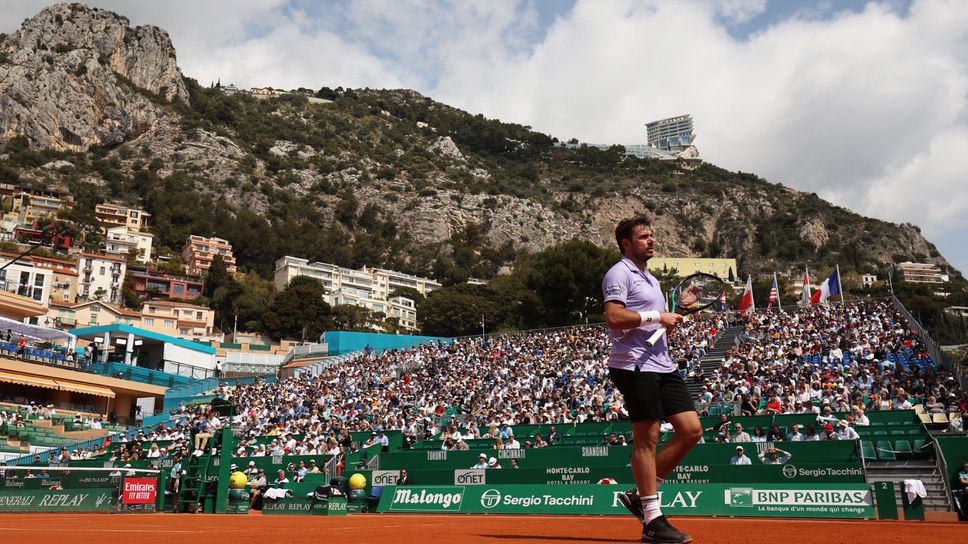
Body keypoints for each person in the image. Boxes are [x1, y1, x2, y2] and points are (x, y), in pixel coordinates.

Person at [603, 216, 702, 544]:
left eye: (652, 236)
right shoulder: (619, 273)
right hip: (633, 366)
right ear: (626, 243)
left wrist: (673, 314)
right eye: (643, 236)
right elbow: (615, 317)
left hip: (662, 364)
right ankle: (652, 520)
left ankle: (639, 495)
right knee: (648, 437)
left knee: (691, 430)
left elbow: (653, 324)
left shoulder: (651, 279)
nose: (651, 240)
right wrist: (657, 315)